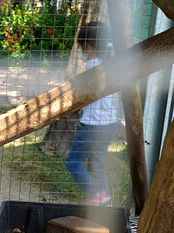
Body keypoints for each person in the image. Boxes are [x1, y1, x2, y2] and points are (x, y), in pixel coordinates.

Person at [64, 21, 118, 206]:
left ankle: (96, 193)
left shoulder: (92, 66)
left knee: (73, 162)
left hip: (92, 125)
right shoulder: (110, 66)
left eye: (81, 48)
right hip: (110, 123)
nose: (81, 52)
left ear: (87, 46)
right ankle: (105, 202)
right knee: (96, 165)